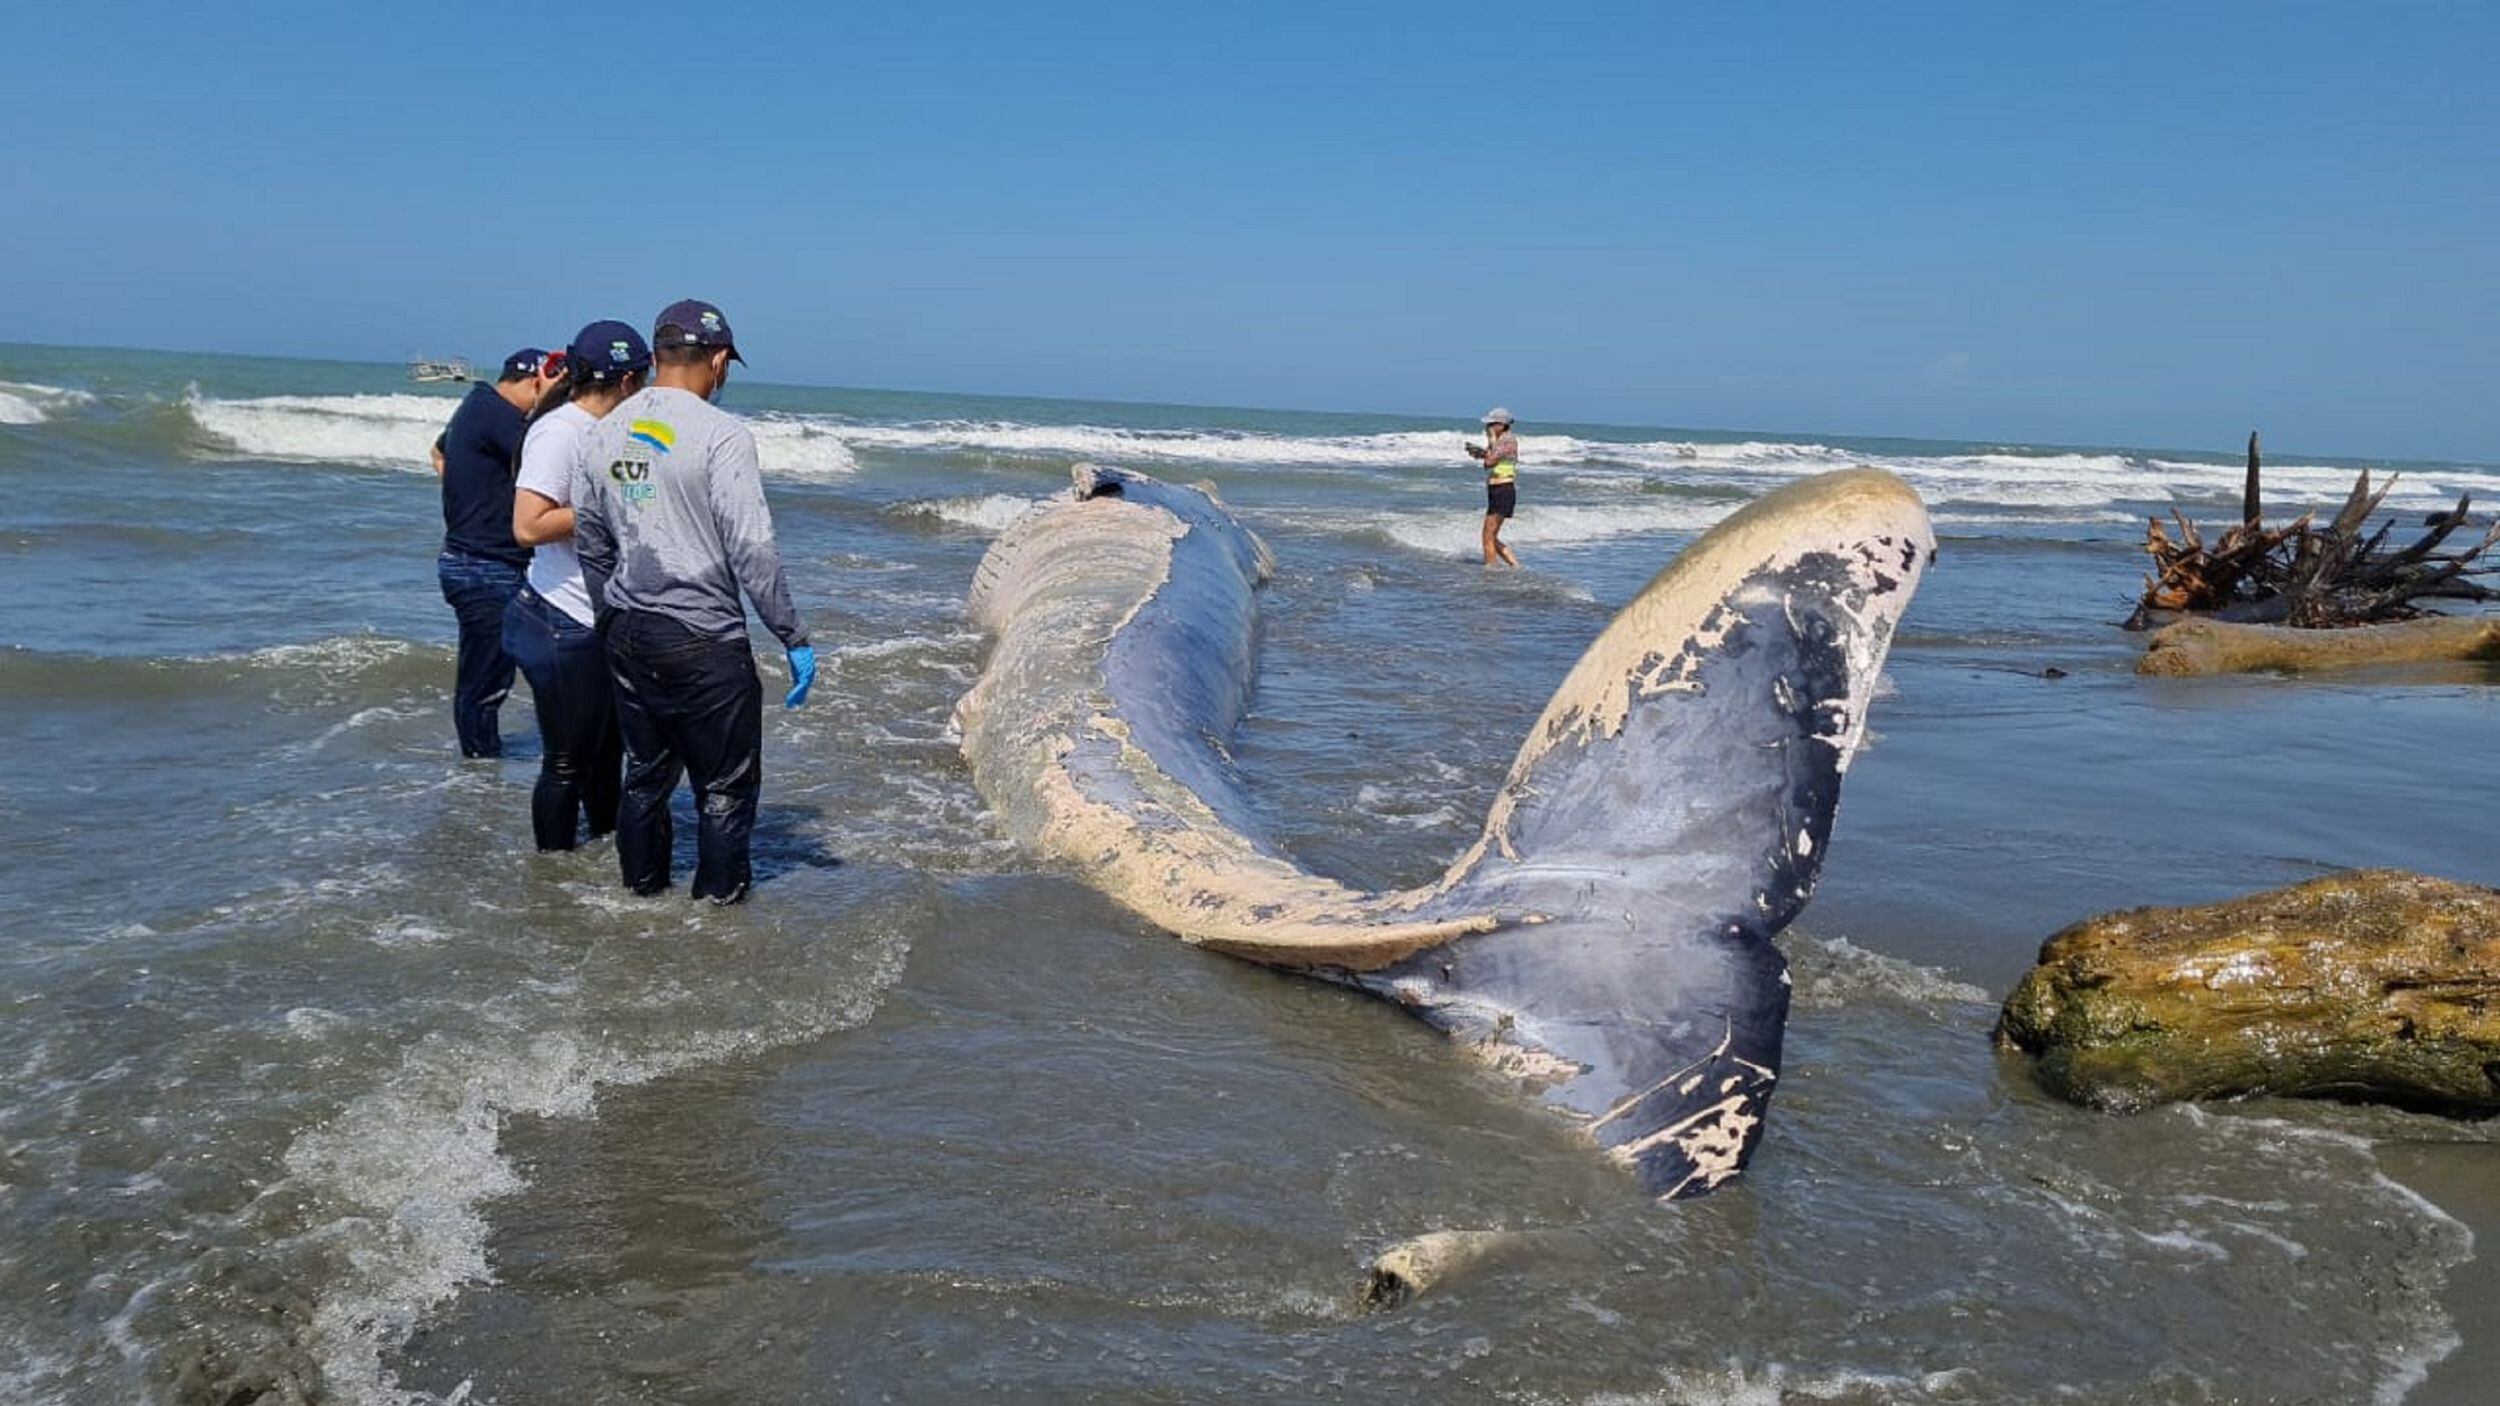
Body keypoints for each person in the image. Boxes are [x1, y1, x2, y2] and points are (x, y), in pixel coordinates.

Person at [571, 300, 816, 904]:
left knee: (646, 778)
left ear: (655, 358)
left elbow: (590, 540)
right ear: (719, 359)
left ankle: (641, 901)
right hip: (703, 641)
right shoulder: (722, 435)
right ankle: (718, 922)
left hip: (629, 630)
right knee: (726, 791)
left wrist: (612, 617)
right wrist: (792, 635)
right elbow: (752, 548)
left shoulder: (603, 433)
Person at [502, 321, 649, 851]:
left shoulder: (617, 430)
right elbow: (527, 526)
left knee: (608, 752)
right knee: (567, 762)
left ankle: (603, 851)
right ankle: (553, 875)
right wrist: (610, 503)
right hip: (560, 620)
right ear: (630, 381)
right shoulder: (560, 432)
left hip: (601, 617)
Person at [436, 348, 565, 756]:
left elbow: (439, 453)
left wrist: (476, 496)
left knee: (494, 670)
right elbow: (547, 459)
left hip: (474, 559)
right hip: (484, 565)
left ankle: (481, 759)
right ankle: (478, 765)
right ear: (533, 382)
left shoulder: (475, 404)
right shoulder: (503, 418)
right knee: (486, 680)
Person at [1465, 407, 1522, 567]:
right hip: (1498, 489)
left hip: (1503, 489)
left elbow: (1490, 462)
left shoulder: (1507, 440)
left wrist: (1490, 439)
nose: (1488, 427)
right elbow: (1491, 460)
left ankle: (1491, 572)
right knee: (1492, 536)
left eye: (1491, 424)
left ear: (1502, 425)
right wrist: (1481, 453)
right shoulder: (1502, 440)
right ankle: (1515, 566)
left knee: (1487, 536)